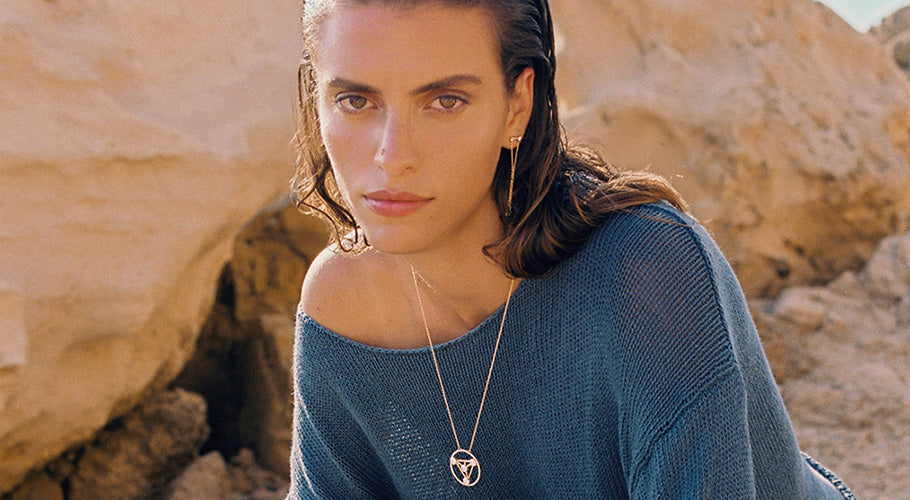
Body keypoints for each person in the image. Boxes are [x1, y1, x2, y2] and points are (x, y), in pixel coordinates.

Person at [287, 0, 856, 498]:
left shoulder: (647, 274)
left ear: (517, 104)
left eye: (445, 101)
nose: (392, 154)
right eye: (356, 101)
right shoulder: (343, 304)